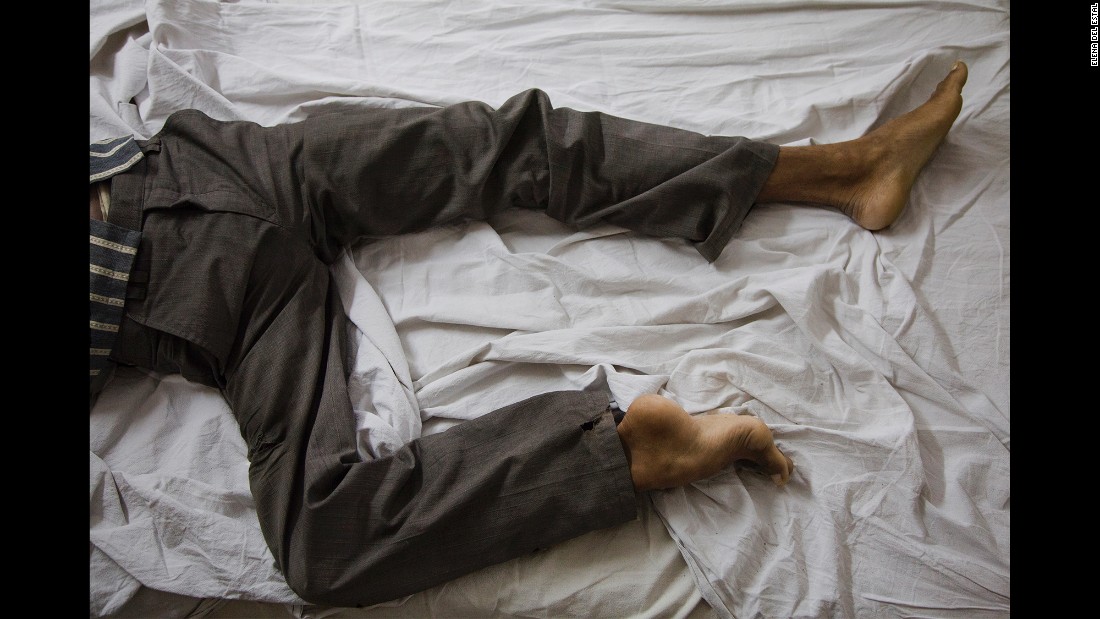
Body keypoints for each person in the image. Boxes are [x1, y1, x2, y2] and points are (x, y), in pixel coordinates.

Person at [89, 60, 968, 607]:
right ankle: (623, 447)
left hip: (206, 198)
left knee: (511, 141)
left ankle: (848, 170)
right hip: (206, 230)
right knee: (510, 142)